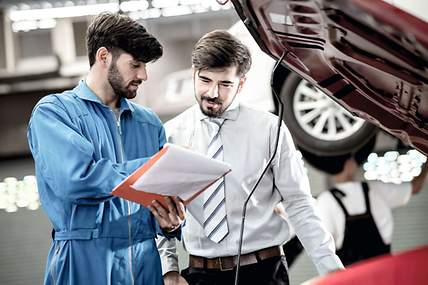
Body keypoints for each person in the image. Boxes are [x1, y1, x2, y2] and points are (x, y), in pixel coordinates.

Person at [157, 30, 344, 285]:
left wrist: (333, 271)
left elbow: (299, 203)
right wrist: (169, 271)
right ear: (193, 73)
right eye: (205, 80)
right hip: (200, 275)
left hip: (264, 272)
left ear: (241, 84)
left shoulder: (270, 129)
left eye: (225, 84)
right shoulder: (171, 135)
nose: (212, 93)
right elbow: (159, 209)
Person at [27, 12, 185, 285]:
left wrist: (170, 222)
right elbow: (77, 180)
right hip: (83, 261)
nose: (143, 75)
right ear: (103, 57)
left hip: (144, 264)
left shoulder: (149, 123)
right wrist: (152, 167)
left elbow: (162, 197)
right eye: (135, 65)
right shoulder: (54, 112)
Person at [303, 136, 428, 266]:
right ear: (348, 165)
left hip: (350, 279)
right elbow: (415, 187)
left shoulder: (325, 201)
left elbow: (323, 249)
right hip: (385, 273)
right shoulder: (374, 189)